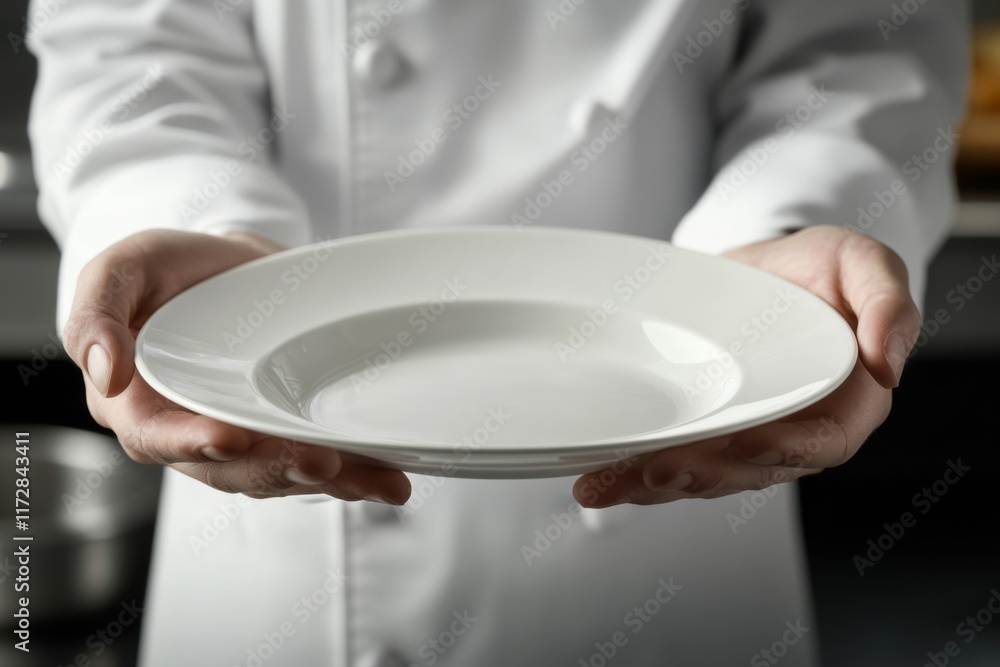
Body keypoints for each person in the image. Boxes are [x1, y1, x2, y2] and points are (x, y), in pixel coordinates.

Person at [27, 0, 968, 664]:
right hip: (261, 453)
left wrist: (793, 223)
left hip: (694, 459)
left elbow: (857, 45)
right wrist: (178, 219)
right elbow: (128, 47)